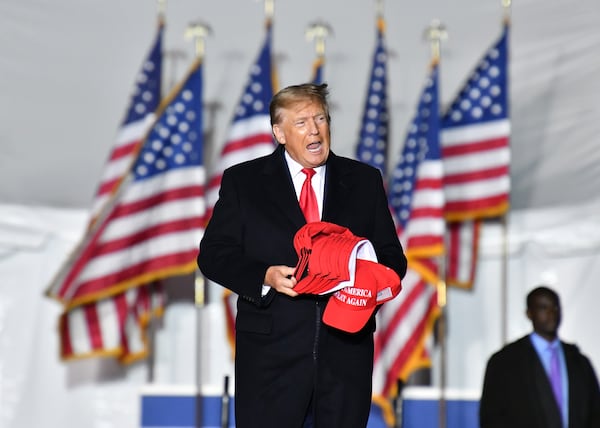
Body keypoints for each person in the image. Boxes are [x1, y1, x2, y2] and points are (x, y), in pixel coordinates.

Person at [197, 83, 407, 428]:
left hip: (343, 358)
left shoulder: (364, 181)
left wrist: (359, 283)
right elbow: (214, 255)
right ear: (279, 132)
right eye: (301, 122)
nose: (314, 130)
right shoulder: (244, 181)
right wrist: (265, 276)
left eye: (321, 119)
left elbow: (392, 258)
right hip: (270, 364)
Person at [479, 285, 600, 428]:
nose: (551, 313)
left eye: (555, 307)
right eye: (543, 308)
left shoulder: (578, 362)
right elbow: (492, 417)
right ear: (529, 313)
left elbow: (595, 413)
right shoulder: (504, 362)